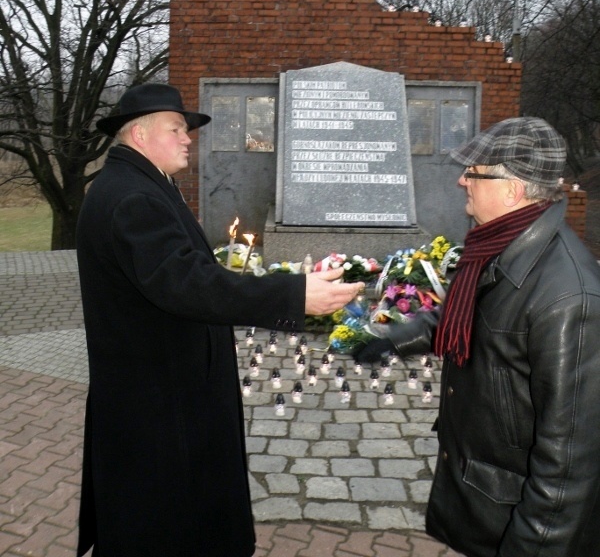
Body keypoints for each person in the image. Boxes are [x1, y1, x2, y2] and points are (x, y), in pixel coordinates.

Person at [76, 83, 363, 557]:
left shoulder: (140, 186)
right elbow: (188, 285)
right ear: (140, 135)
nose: (188, 138)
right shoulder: (133, 198)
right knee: (163, 526)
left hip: (161, 392)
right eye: (176, 128)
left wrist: (285, 282)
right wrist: (293, 294)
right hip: (160, 404)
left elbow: (189, 275)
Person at [355, 117, 600, 557]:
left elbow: (569, 461)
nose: (461, 180)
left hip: (516, 510)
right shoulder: (501, 246)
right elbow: (470, 317)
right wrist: (397, 339)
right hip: (485, 488)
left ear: (514, 190)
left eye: (475, 171)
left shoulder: (569, 298)